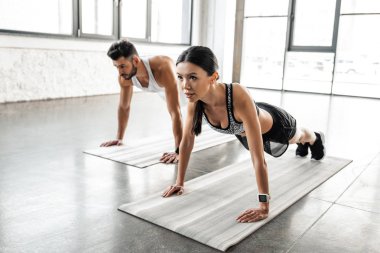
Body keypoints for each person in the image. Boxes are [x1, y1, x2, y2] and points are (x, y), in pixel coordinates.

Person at [162, 46, 325, 222]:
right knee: (287, 138)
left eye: (193, 77)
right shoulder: (195, 100)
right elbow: (186, 142)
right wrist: (179, 182)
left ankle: (315, 137)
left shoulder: (238, 94)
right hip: (247, 127)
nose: (185, 85)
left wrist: (264, 205)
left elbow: (258, 157)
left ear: (213, 77)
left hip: (277, 126)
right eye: (180, 77)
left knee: (299, 137)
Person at [101, 39, 184, 163]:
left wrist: (179, 151)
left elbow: (175, 112)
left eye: (123, 66)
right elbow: (124, 107)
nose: (119, 72)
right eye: (116, 67)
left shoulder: (163, 67)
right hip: (163, 92)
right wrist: (119, 138)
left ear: (135, 60)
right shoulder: (125, 77)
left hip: (186, 90)